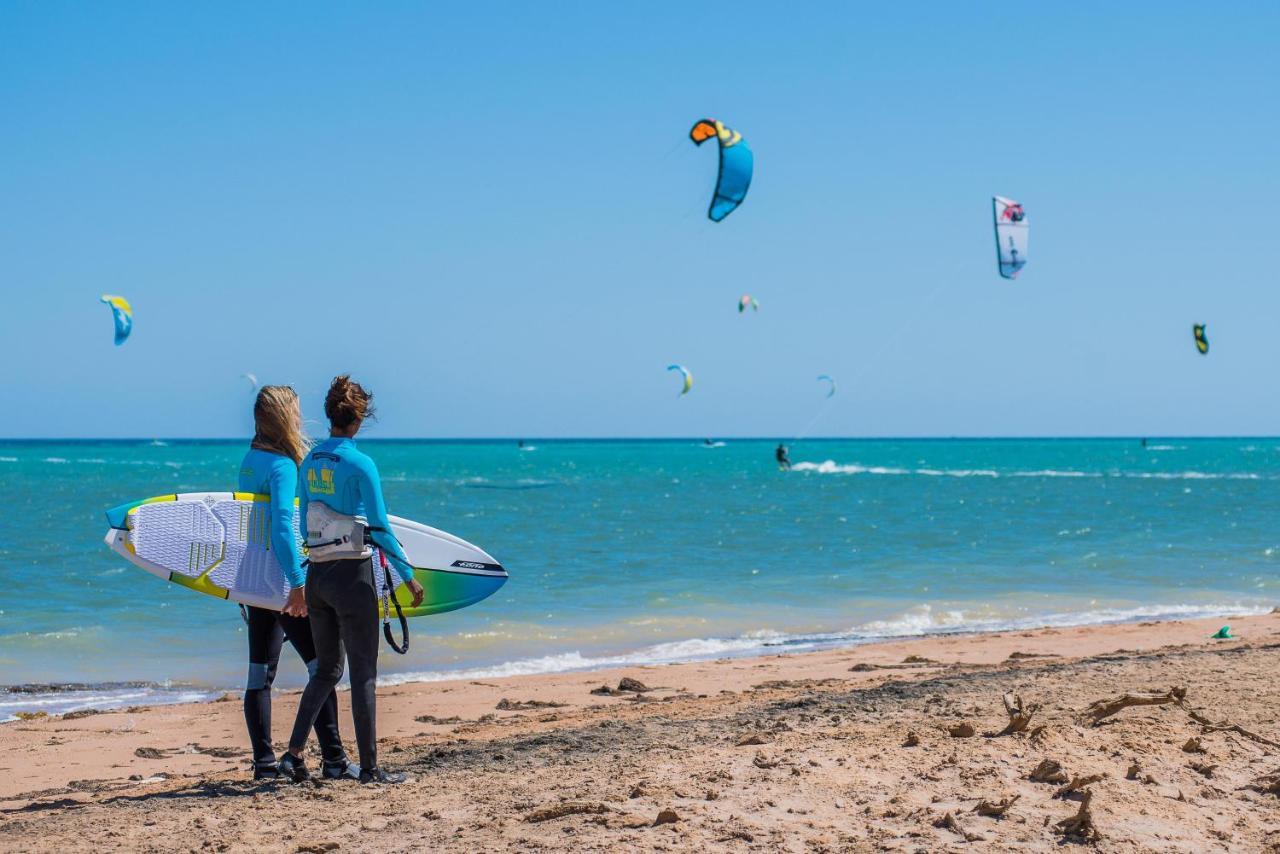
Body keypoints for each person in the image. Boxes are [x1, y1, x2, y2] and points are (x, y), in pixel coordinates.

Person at [279, 376, 425, 785]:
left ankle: (292, 754)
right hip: (352, 577)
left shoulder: (308, 463)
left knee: (326, 670)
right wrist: (407, 576)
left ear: (330, 416)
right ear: (359, 419)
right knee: (363, 673)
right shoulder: (361, 464)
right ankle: (371, 770)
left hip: (319, 576)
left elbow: (304, 521)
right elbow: (378, 525)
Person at [238, 386, 358, 780]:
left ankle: (264, 764)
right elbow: (283, 532)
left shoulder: (251, 460)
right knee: (323, 668)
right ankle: (335, 760)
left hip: (254, 582)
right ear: (284, 417)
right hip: (281, 583)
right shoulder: (283, 466)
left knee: (260, 673)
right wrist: (296, 584)